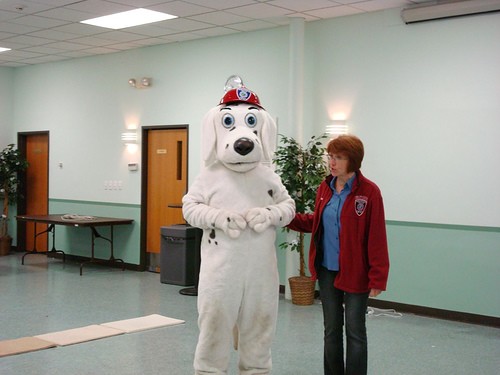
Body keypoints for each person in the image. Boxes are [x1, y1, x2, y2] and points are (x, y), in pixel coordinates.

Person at [287, 134, 389, 375]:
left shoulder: (370, 192)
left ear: (352, 160)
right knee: (331, 330)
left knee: (355, 331)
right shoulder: (325, 187)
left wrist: (378, 277)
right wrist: (286, 217)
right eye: (330, 157)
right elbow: (317, 221)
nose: (332, 162)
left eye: (339, 158)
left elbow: (376, 237)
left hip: (356, 272)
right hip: (326, 270)